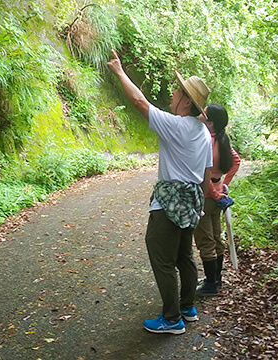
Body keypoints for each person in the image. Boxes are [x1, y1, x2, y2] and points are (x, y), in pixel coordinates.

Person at [107, 50, 213, 334]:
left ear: (186, 101)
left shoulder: (176, 126)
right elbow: (205, 176)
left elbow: (140, 101)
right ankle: (187, 307)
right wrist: (199, 209)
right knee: (183, 256)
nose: (172, 94)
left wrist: (119, 71)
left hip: (168, 204)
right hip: (192, 202)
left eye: (177, 91)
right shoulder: (203, 133)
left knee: (160, 254)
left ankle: (171, 319)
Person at [193, 103, 241, 296]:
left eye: (203, 113)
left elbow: (202, 173)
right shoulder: (222, 139)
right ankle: (217, 279)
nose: (199, 115)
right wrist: (223, 184)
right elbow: (236, 161)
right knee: (215, 237)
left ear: (210, 123)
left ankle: (211, 284)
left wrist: (214, 192)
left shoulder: (204, 141)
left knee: (205, 241)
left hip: (206, 196)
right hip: (216, 194)